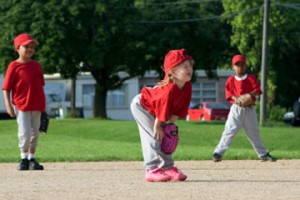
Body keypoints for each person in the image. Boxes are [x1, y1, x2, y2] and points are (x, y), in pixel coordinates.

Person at [130, 49, 193, 182]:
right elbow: (161, 109)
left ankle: (168, 167)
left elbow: (179, 110)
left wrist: (170, 127)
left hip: (157, 111)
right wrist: (158, 126)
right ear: (173, 72)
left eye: (190, 66)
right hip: (141, 106)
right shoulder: (169, 89)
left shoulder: (187, 87)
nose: (190, 69)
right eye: (185, 66)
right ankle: (151, 169)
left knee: (167, 136)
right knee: (155, 136)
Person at [212, 54, 276, 162]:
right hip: (236, 109)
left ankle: (263, 154)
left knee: (254, 133)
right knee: (229, 131)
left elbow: (258, 90)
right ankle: (218, 153)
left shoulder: (251, 78)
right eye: (237, 64)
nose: (240, 66)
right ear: (233, 67)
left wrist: (249, 95)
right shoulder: (231, 80)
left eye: (242, 64)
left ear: (245, 66)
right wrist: (236, 99)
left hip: (249, 110)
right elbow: (229, 94)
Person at [2, 33, 46, 170]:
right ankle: (23, 158)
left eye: (32, 47)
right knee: (24, 132)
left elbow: (40, 86)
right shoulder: (13, 66)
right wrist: (8, 106)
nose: (30, 49)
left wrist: (44, 106)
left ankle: (31, 159)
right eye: (26, 46)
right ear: (17, 48)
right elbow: (6, 88)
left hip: (37, 104)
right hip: (22, 105)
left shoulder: (36, 65)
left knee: (35, 133)